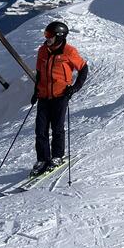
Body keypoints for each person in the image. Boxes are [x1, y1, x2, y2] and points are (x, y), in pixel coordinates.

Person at [30, 20, 88, 175]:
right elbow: (40, 74)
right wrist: (36, 92)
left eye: (49, 35)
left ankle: (57, 156)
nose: (47, 37)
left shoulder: (69, 52)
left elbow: (83, 68)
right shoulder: (43, 50)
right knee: (40, 130)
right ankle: (42, 159)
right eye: (46, 34)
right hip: (44, 96)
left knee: (57, 128)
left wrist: (75, 87)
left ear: (59, 36)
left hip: (60, 96)